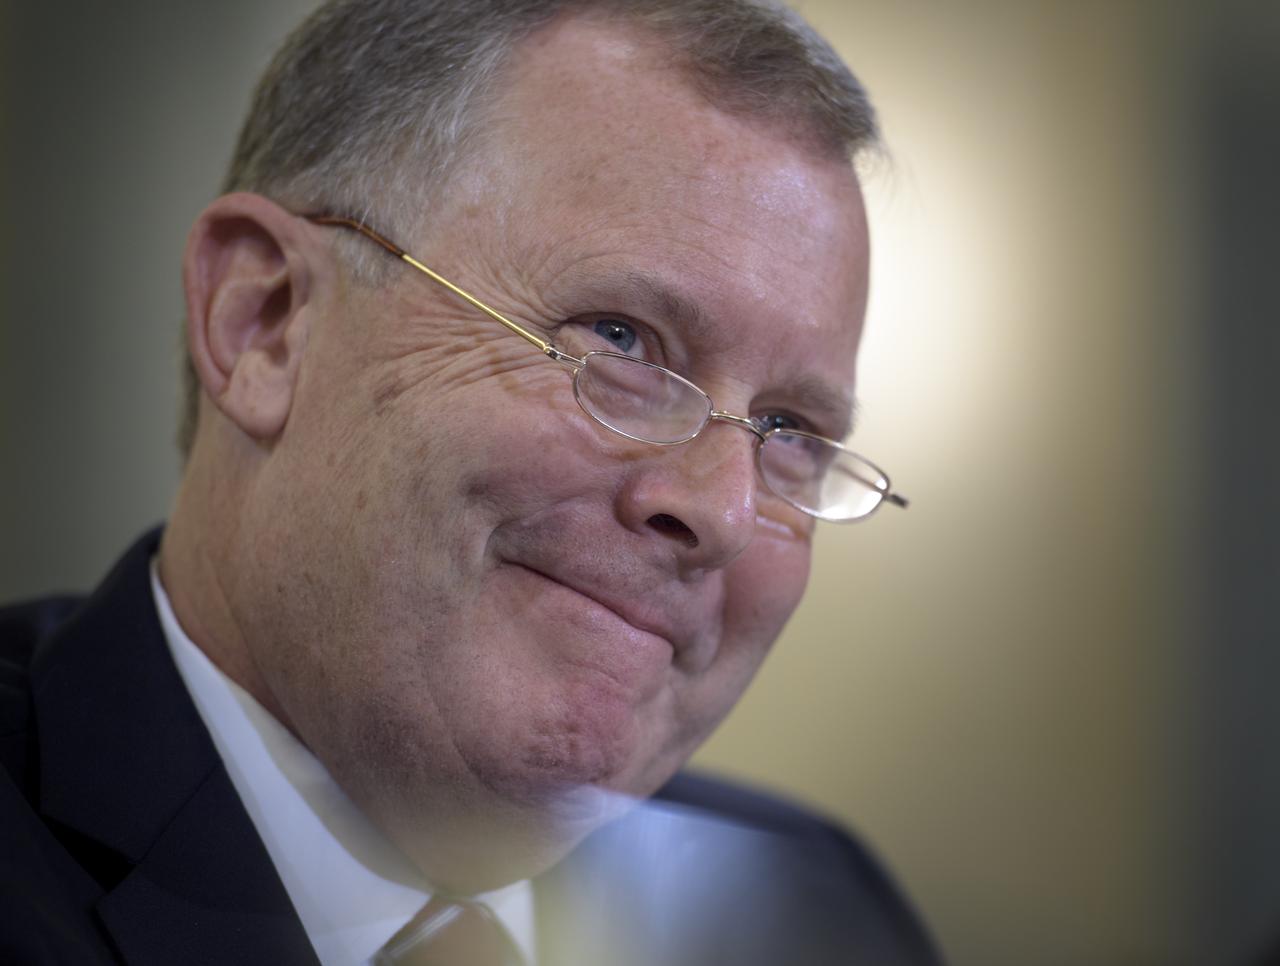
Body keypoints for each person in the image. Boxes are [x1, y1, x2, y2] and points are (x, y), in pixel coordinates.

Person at [0, 0, 937, 963]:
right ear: (266, 325)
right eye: (620, 340)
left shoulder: (815, 916)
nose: (722, 510)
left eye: (789, 430)